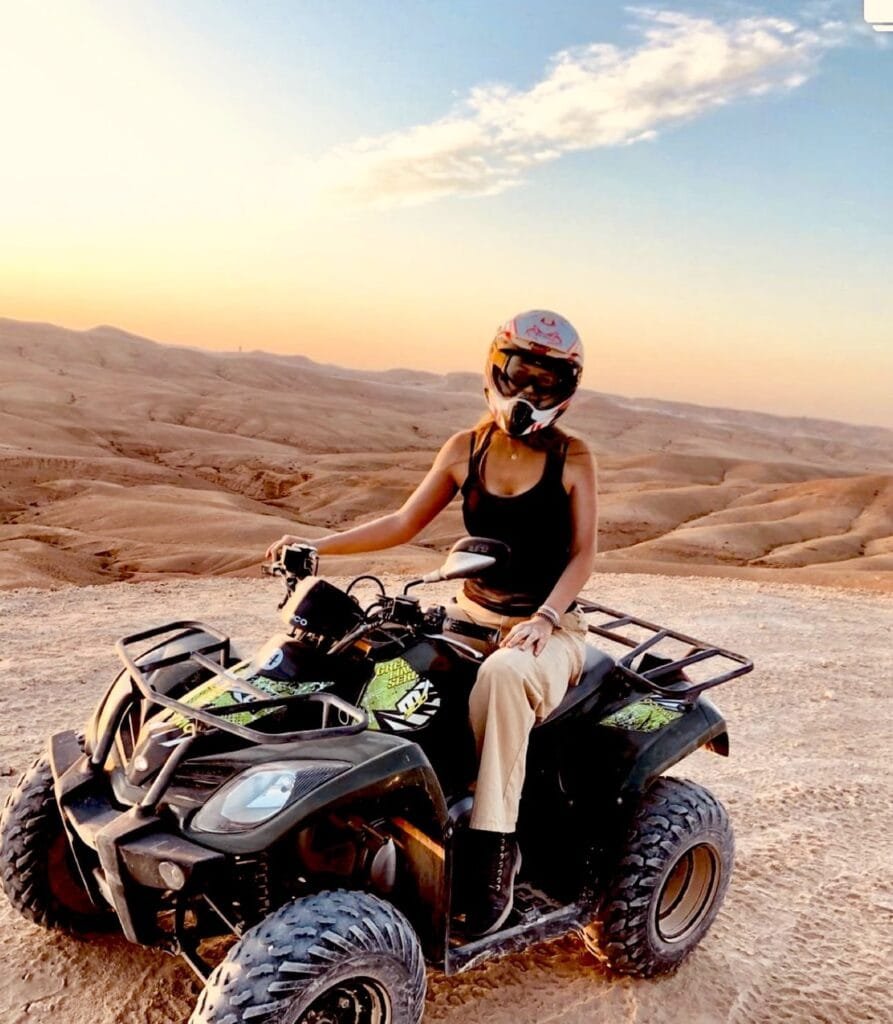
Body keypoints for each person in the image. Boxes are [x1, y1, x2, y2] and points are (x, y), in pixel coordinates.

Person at [265, 310, 598, 936]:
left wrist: (546, 619)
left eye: (545, 383)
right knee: (377, 655)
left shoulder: (573, 459)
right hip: (470, 612)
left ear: (565, 393)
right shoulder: (463, 449)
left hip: (550, 629)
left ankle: (491, 853)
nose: (528, 393)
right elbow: (401, 523)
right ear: (495, 370)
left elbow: (583, 555)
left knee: (502, 677)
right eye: (519, 374)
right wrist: (319, 545)